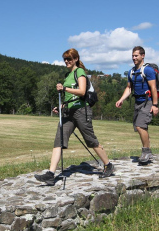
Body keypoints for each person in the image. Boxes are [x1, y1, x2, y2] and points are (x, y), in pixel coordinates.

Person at [35, 48, 114, 185]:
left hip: (81, 111)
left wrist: (64, 89)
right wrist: (60, 107)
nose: (66, 61)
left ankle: (108, 165)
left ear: (76, 59)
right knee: (59, 140)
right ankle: (50, 174)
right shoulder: (67, 76)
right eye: (65, 59)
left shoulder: (80, 72)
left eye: (69, 59)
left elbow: (82, 92)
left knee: (90, 140)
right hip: (68, 112)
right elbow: (69, 98)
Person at [115, 46, 159, 164]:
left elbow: (153, 88)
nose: (134, 58)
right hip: (137, 102)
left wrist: (155, 105)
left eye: (136, 55)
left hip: (147, 101)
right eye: (133, 56)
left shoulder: (148, 70)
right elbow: (129, 88)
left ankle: (146, 151)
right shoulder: (131, 72)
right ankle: (148, 152)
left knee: (140, 126)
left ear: (143, 56)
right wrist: (121, 99)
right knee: (140, 127)